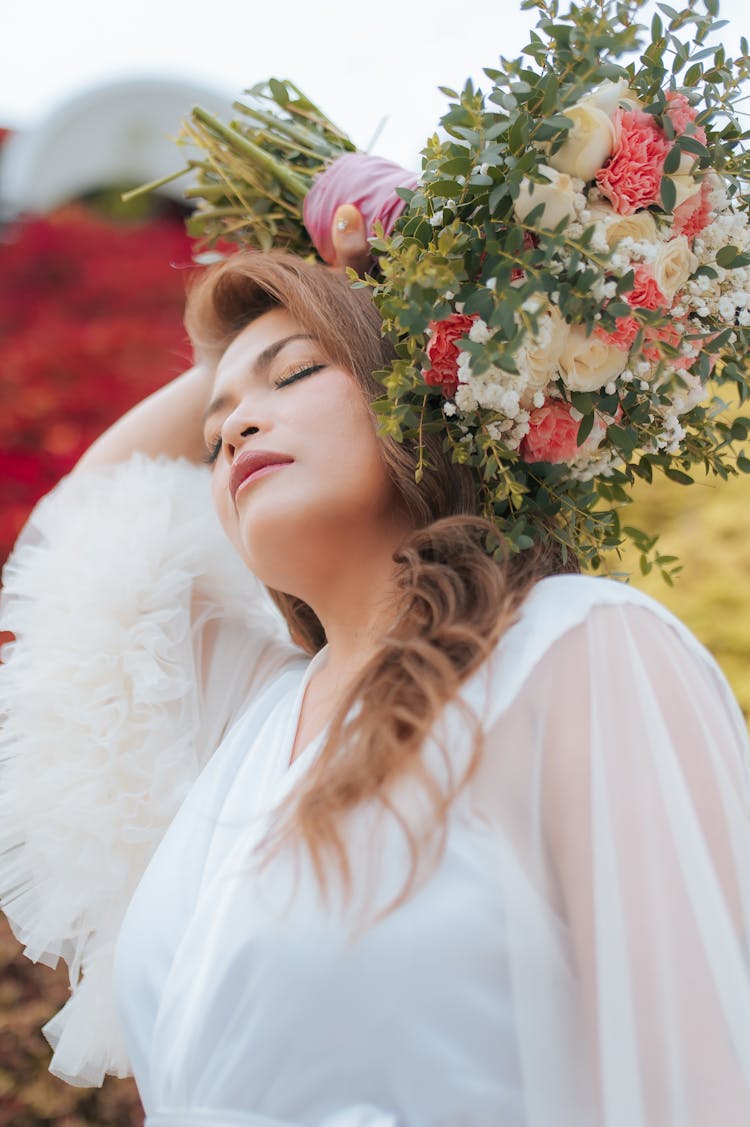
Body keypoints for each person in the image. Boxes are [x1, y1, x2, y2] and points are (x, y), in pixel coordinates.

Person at [1, 224, 750, 1127]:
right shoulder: (254, 714)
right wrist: (262, 328)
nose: (235, 425)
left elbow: (702, 1080)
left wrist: (407, 301)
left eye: (296, 374)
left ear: (421, 396)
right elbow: (77, 539)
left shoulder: (577, 647)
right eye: (216, 428)